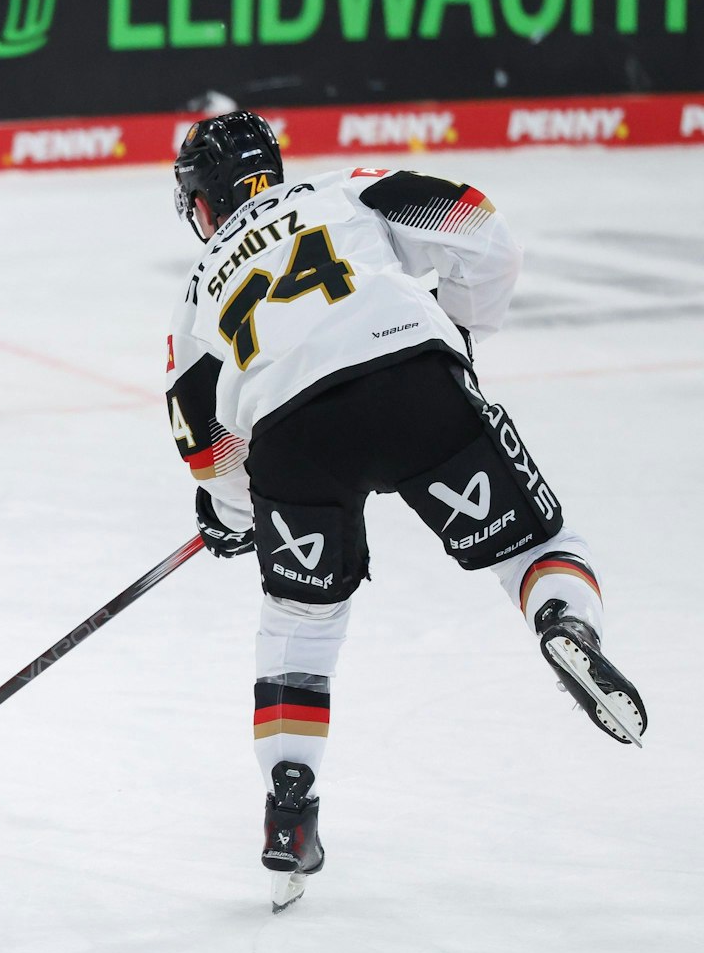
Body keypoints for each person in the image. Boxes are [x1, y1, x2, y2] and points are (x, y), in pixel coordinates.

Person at [162, 111, 647, 912]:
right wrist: (456, 329)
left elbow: (203, 438)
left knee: (300, 625)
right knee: (535, 545)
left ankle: (290, 812)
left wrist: (234, 510)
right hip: (411, 380)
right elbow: (484, 231)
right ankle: (565, 621)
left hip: (293, 436)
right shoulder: (344, 192)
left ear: (202, 202)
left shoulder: (195, 293)